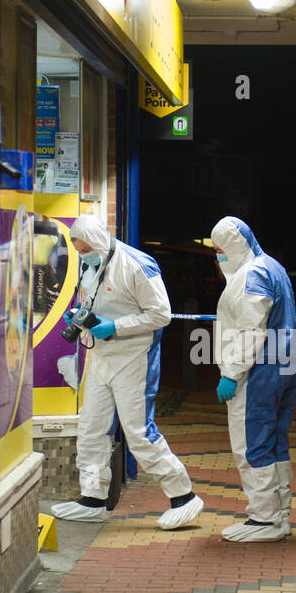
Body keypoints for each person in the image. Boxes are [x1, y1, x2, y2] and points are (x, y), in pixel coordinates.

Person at [50, 215, 203, 530]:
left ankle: (183, 496)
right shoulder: (88, 264)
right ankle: (92, 499)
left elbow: (161, 314)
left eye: (86, 248)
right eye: (79, 250)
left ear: (99, 240)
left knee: (138, 433)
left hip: (135, 357)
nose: (83, 254)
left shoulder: (136, 265)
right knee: (91, 427)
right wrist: (82, 320)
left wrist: (115, 327)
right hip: (103, 357)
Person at [211, 216, 296, 543]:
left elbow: (251, 331)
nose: (218, 256)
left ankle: (264, 519)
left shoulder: (251, 274)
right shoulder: (271, 266)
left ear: (234, 246)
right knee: (275, 442)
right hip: (284, 365)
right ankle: (280, 514)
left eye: (220, 249)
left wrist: (231, 374)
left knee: (252, 444)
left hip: (260, 371)